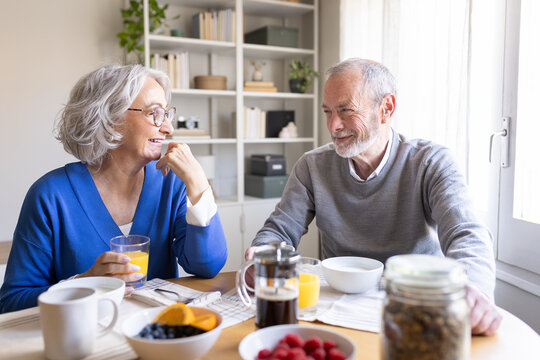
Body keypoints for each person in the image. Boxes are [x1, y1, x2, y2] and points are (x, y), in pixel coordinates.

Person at [245, 58, 501, 335]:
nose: (333, 126)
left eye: (345, 110)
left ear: (386, 109)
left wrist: (473, 288)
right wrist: (263, 252)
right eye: (328, 112)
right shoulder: (312, 166)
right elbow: (279, 230)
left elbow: (467, 233)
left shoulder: (430, 162)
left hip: (414, 310)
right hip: (338, 308)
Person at [0, 64, 227, 313]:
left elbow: (207, 265)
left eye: (167, 114)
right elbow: (12, 302)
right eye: (154, 113)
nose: (168, 128)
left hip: (155, 337)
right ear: (110, 120)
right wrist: (83, 285)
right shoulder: (50, 196)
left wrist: (198, 183)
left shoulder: (170, 183)